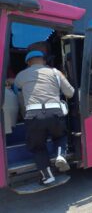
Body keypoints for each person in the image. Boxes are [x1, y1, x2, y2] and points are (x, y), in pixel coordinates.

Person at [14, 50, 74, 185]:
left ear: (28, 63)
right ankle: (60, 155)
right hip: (55, 112)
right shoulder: (55, 72)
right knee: (60, 136)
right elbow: (70, 93)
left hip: (33, 115)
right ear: (44, 61)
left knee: (38, 147)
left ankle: (48, 177)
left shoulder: (22, 75)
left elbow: (16, 87)